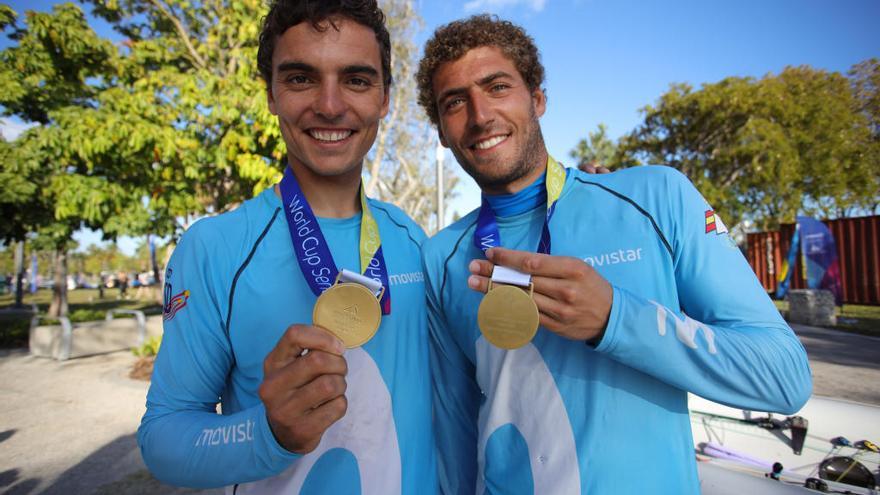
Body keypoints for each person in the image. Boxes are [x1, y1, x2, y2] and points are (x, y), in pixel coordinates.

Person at [416, 14, 812, 494]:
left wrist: (615, 319)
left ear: (537, 98)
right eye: (455, 102)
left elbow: (784, 377)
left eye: (497, 87)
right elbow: (456, 436)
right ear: (441, 131)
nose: (480, 116)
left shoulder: (656, 197)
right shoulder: (441, 258)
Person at [137, 1, 435, 492]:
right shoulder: (216, 247)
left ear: (385, 99)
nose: (331, 105)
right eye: (301, 79)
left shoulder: (410, 237)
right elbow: (163, 437)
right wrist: (268, 433)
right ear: (271, 94)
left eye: (357, 80)